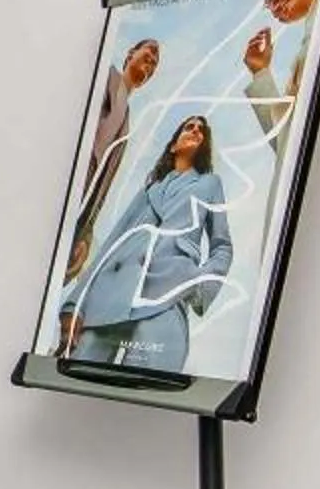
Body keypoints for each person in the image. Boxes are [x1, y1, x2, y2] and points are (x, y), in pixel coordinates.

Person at [68, 114, 233, 371]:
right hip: (109, 296)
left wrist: (200, 286)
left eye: (202, 131)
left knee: (150, 381)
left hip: (166, 292)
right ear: (173, 145)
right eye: (189, 126)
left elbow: (221, 245)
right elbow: (113, 242)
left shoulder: (209, 184)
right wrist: (74, 304)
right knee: (77, 378)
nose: (196, 131)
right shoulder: (149, 188)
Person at [56, 35, 159, 351]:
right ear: (130, 53)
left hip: (82, 205)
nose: (150, 62)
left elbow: (103, 185)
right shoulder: (106, 79)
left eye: (155, 63)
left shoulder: (126, 121)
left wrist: (85, 233)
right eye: (148, 54)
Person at [238, 0, 320, 175]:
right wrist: (260, 72)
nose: (277, 9)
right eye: (275, 13)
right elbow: (288, 144)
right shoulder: (310, 41)